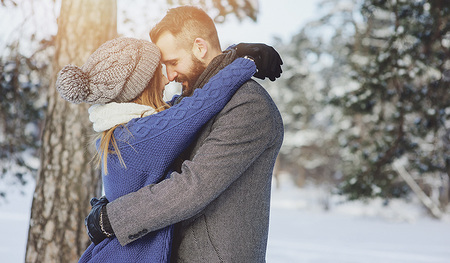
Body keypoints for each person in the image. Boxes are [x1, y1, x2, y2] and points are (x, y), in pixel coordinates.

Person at [85, 6, 284, 263]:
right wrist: (237, 56)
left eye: (173, 62)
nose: (169, 76)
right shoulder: (189, 103)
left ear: (200, 48)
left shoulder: (247, 105)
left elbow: (193, 185)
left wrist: (113, 217)